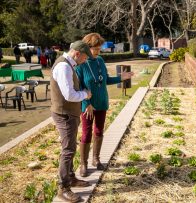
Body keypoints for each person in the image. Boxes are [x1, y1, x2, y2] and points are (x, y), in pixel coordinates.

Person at [76, 33, 134, 177]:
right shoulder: (81, 64)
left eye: (99, 49)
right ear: (87, 48)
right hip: (88, 106)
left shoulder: (100, 61)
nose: (98, 52)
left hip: (102, 102)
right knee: (86, 133)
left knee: (99, 131)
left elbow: (106, 80)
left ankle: (96, 159)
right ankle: (83, 164)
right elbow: (79, 87)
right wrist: (87, 103)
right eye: (95, 49)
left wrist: (121, 78)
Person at [50, 40, 93, 202]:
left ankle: (70, 177)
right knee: (68, 150)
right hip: (65, 115)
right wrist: (85, 94)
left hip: (69, 114)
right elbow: (69, 95)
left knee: (70, 148)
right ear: (77, 53)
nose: (85, 60)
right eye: (84, 58)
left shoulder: (68, 64)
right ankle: (63, 188)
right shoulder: (64, 67)